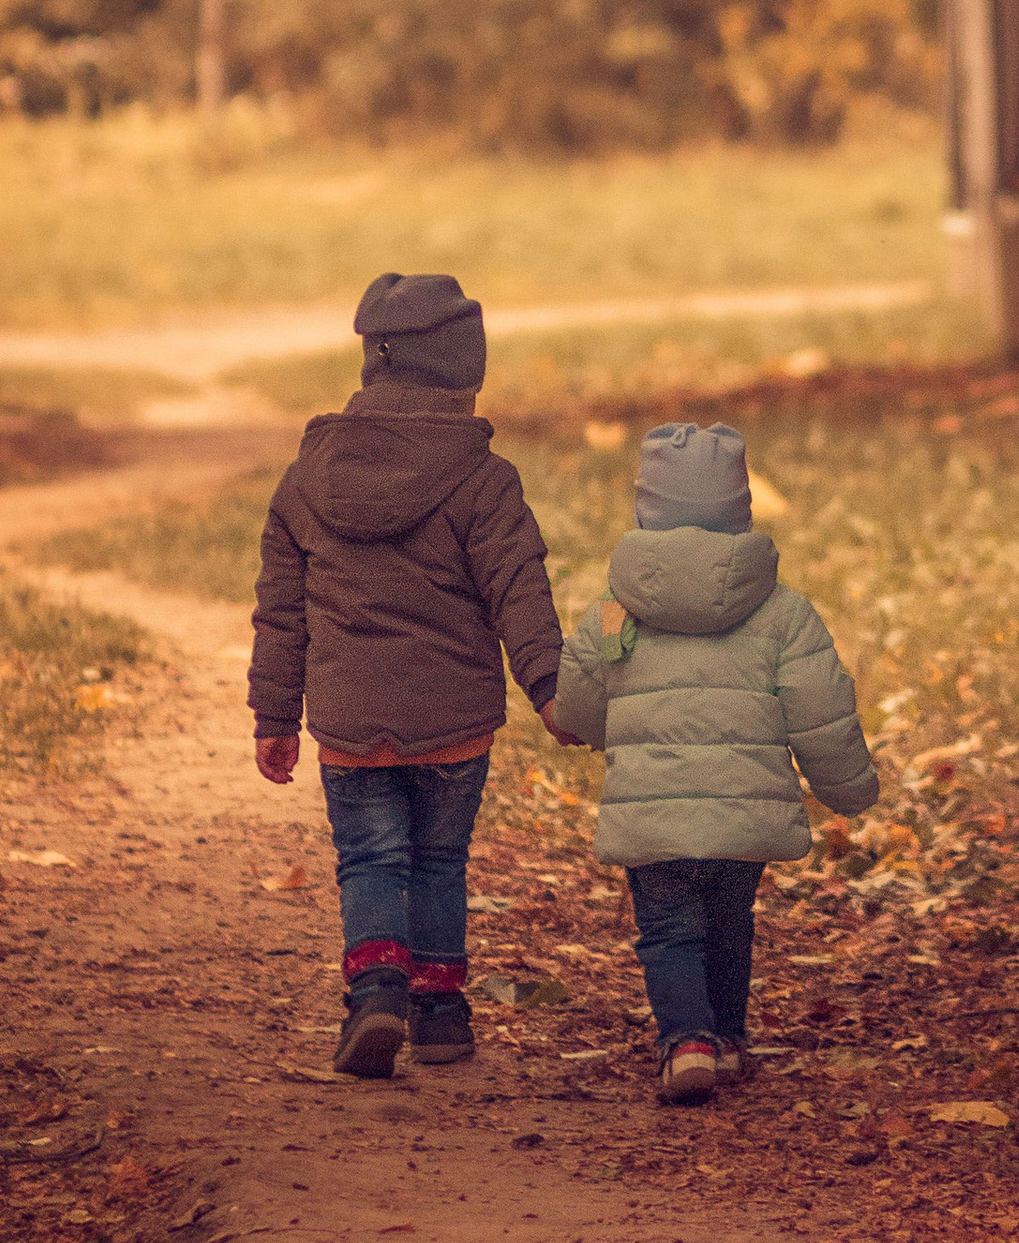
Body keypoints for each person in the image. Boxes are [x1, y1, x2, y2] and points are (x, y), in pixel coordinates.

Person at [250, 271, 565, 1080]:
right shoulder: (484, 480)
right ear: (465, 372)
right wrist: (550, 685)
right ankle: (442, 1012)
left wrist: (275, 717)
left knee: (370, 859)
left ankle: (376, 992)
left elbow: (283, 612)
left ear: (374, 365)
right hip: (455, 720)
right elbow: (518, 586)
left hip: (352, 723)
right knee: (438, 860)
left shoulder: (306, 479)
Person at [554, 420, 877, 1106]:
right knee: (731, 924)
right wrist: (847, 788)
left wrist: (588, 731)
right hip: (741, 813)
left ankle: (687, 1041)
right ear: (741, 511)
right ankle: (727, 1037)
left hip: (653, 813)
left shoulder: (618, 611)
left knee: (669, 928)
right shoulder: (784, 613)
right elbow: (821, 708)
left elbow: (580, 697)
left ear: (646, 510)